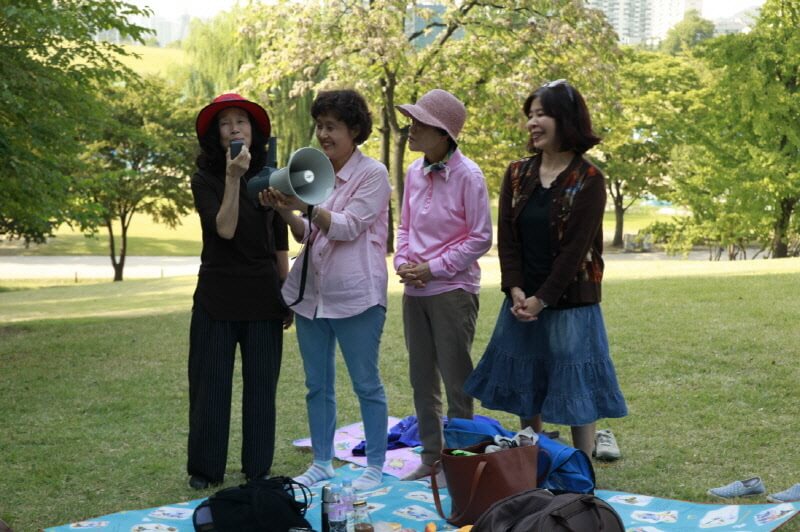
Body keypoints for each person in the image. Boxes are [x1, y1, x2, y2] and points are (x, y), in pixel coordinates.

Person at [464, 80, 627, 458]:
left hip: (571, 301)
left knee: (576, 386)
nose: (532, 123)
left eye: (541, 115)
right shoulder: (517, 173)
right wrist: (516, 290)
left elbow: (575, 252)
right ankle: (531, 459)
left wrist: (543, 299)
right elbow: (508, 238)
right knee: (527, 380)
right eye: (530, 115)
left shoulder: (589, 179)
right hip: (523, 298)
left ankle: (582, 469)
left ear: (565, 119)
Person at [265, 89, 390, 491]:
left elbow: (348, 226)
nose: (323, 134)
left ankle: (374, 466)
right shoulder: (316, 172)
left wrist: (306, 206)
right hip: (312, 297)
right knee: (316, 385)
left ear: (354, 130)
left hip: (357, 297)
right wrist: (284, 209)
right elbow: (308, 232)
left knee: (366, 384)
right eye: (319, 126)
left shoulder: (373, 174)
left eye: (331, 126)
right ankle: (322, 462)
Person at [187, 93, 291, 489]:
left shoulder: (269, 175)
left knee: (261, 388)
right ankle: (205, 469)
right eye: (225, 122)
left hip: (263, 293)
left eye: (241, 121)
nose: (234, 128)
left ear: (253, 131)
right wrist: (233, 178)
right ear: (216, 135)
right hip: (216, 295)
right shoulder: (204, 179)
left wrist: (286, 290)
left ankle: (257, 467)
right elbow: (225, 229)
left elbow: (279, 238)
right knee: (210, 386)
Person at [394, 89, 493, 481]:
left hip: (453, 292)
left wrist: (433, 268)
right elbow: (404, 227)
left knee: (457, 382)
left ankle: (461, 462)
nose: (411, 129)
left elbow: (480, 237)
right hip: (414, 291)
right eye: (412, 121)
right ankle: (432, 457)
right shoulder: (413, 172)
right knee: (421, 379)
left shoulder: (470, 176)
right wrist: (403, 262)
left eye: (420, 124)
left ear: (442, 133)